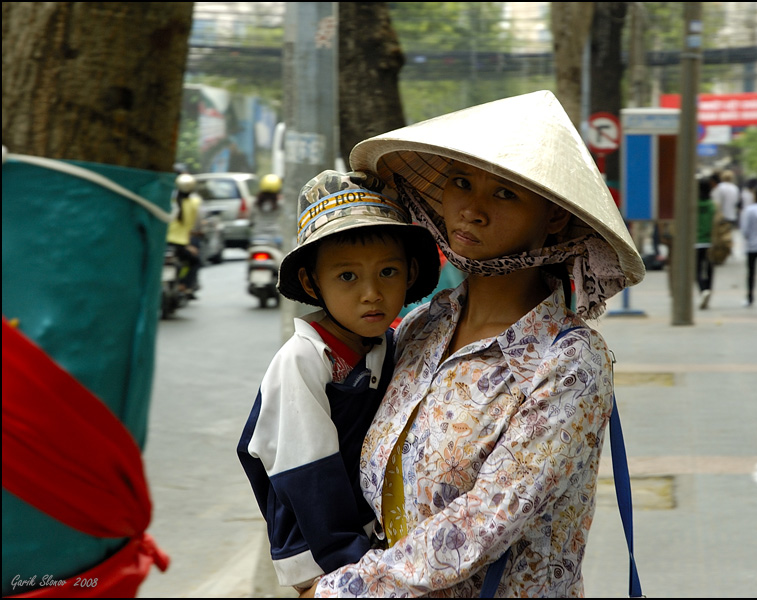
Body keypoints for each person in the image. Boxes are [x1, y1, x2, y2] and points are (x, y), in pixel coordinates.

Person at [299, 90, 645, 597]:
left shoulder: (569, 361)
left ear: (551, 217)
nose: (472, 211)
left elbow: (481, 525)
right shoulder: (420, 326)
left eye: (504, 193)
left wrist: (338, 591)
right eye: (462, 183)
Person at [236, 170, 441, 593]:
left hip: (366, 542)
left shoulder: (390, 345)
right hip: (321, 553)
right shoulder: (304, 361)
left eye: (388, 272)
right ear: (312, 282)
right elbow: (309, 475)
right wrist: (354, 571)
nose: (371, 293)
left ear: (411, 271)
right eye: (347, 277)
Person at [166, 173, 203, 298]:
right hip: (180, 244)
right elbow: (195, 225)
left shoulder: (169, 201)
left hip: (164, 243)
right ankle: (184, 285)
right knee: (195, 261)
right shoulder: (195, 203)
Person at [695, 177, 717, 309]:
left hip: (695, 241)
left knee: (696, 269)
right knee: (709, 269)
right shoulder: (712, 205)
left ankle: (703, 290)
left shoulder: (692, 205)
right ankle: (708, 289)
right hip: (710, 241)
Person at [250, 173, 284, 246]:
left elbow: (251, 218)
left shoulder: (255, 203)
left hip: (257, 235)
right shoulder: (279, 203)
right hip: (274, 236)